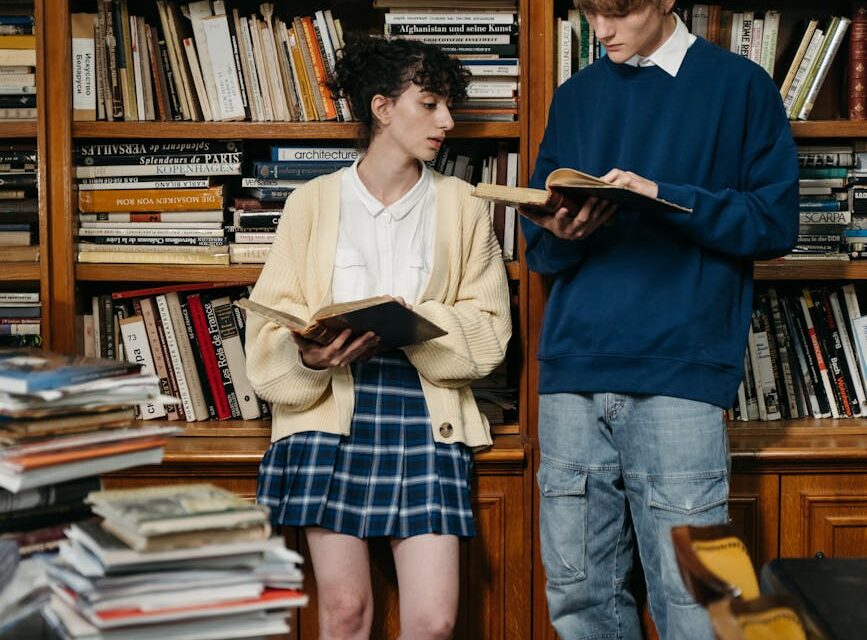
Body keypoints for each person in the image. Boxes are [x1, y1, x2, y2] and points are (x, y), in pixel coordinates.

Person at [521, 1, 798, 638]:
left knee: (697, 604)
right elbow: (541, 250)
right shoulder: (575, 96)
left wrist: (664, 198)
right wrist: (564, 229)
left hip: (681, 374)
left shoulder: (740, 87)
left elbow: (776, 222)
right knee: (578, 598)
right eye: (592, 13)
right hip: (571, 375)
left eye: (618, 13)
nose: (603, 31)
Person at [244, 35, 511, 640]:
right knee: (345, 615)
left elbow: (492, 329)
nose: (446, 121)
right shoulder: (311, 202)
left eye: (449, 107)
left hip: (426, 413)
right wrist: (308, 356)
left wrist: (418, 322)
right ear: (382, 108)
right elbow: (271, 322)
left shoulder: (463, 204)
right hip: (328, 410)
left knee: (436, 621)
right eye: (430, 104)